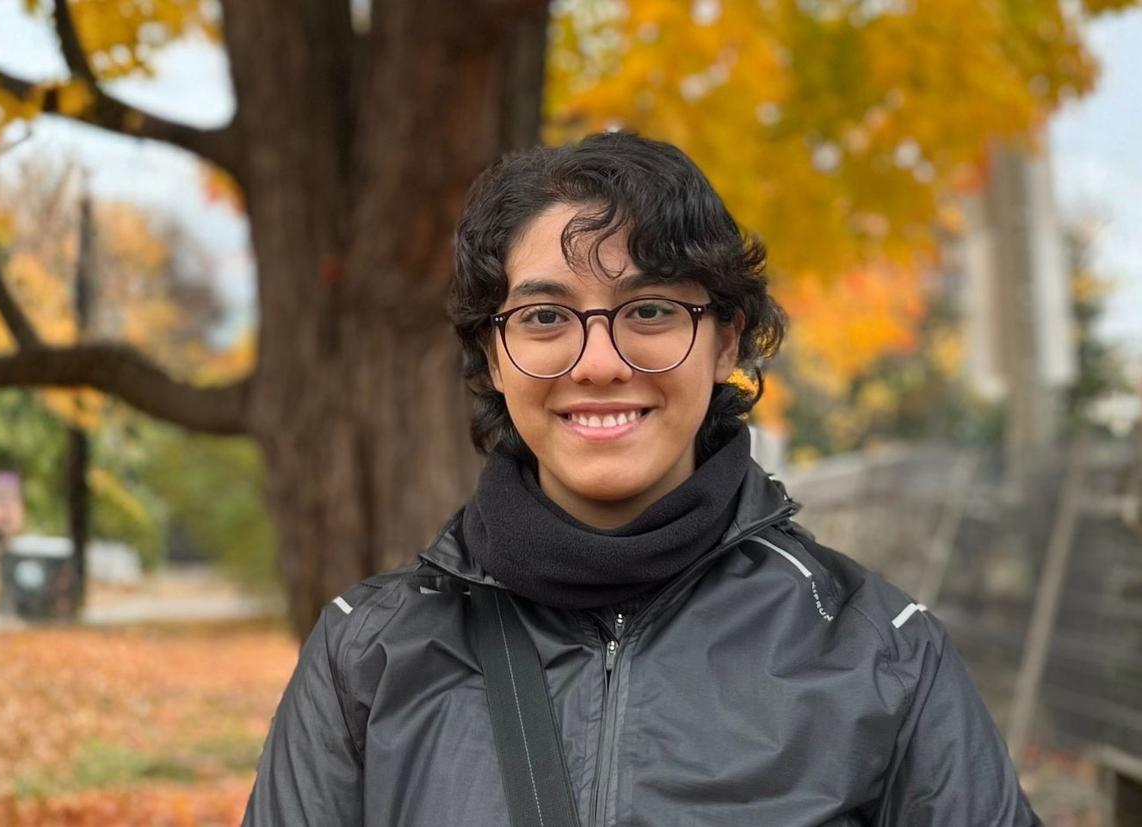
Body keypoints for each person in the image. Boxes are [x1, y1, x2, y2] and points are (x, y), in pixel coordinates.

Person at [243, 132, 1040, 826]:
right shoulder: (368, 653)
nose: (599, 363)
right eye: (545, 317)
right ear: (492, 353)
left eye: (651, 310)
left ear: (727, 341)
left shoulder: (876, 650)